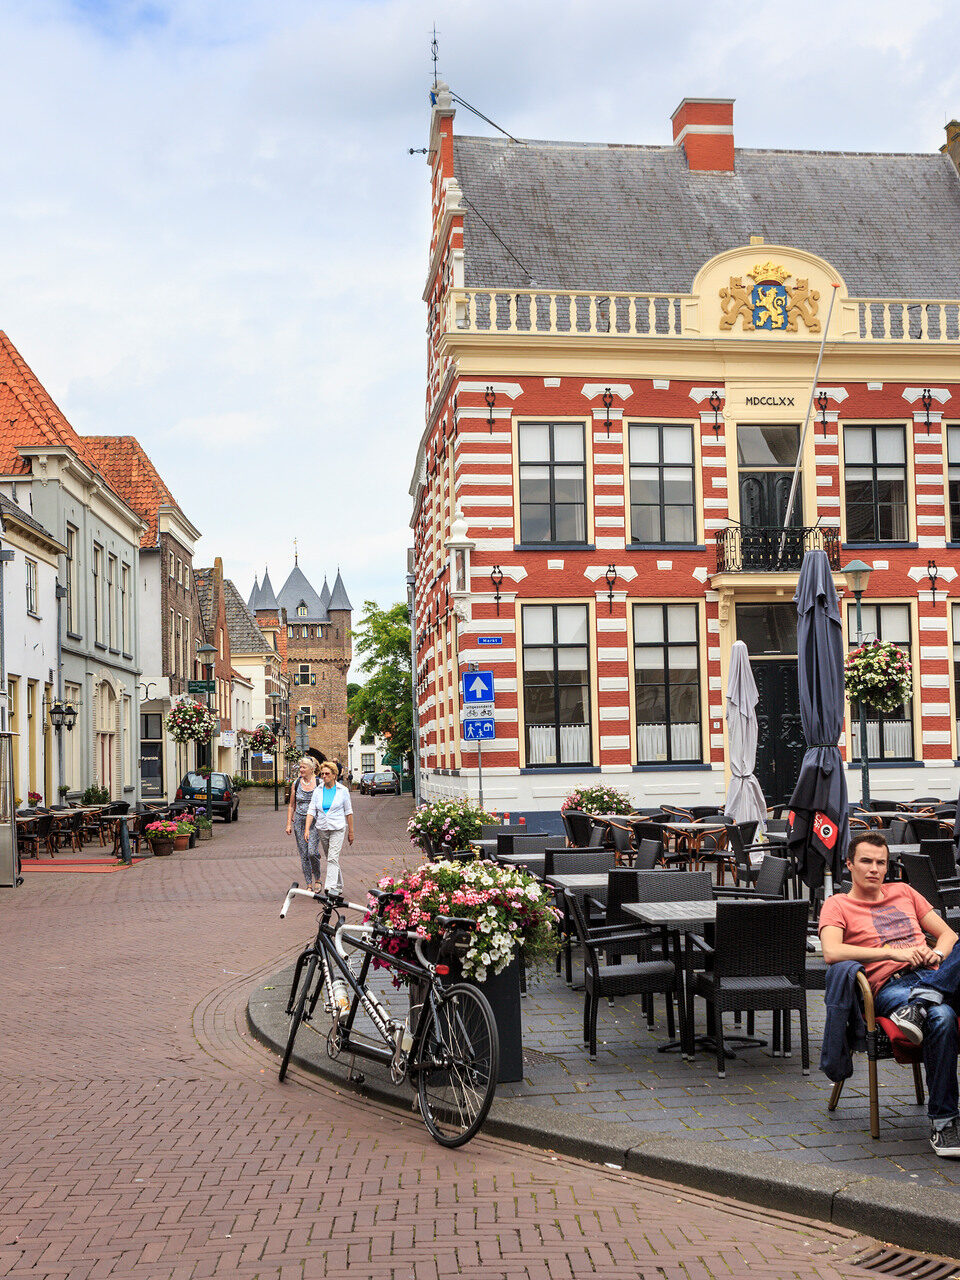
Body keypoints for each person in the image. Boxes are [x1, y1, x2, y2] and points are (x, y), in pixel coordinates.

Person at [819, 832, 960, 1156]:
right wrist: (892, 954)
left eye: (880, 862)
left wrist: (935, 955)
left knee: (940, 993)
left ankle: (924, 1000)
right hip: (891, 986)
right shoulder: (837, 904)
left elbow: (948, 935)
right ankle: (944, 1123)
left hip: (935, 976)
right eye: (866, 861)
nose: (874, 868)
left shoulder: (905, 892)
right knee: (942, 1015)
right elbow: (831, 951)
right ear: (849, 864)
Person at [304, 760, 354, 894]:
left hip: (338, 827)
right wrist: (307, 829)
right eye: (322, 774)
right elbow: (311, 810)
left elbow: (348, 812)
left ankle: (330, 887)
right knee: (331, 857)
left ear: (334, 775)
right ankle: (338, 885)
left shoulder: (342, 790)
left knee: (332, 858)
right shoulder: (317, 791)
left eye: (327, 774)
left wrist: (351, 831)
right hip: (322, 828)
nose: (324, 776)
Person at [285, 756, 322, 891]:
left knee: (312, 852)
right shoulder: (296, 783)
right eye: (300, 767)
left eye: (303, 767)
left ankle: (317, 878)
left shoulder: (319, 783)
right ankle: (309, 884)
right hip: (300, 822)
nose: (301, 770)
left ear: (311, 769)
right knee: (304, 854)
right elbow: (291, 805)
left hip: (314, 822)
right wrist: (289, 823)